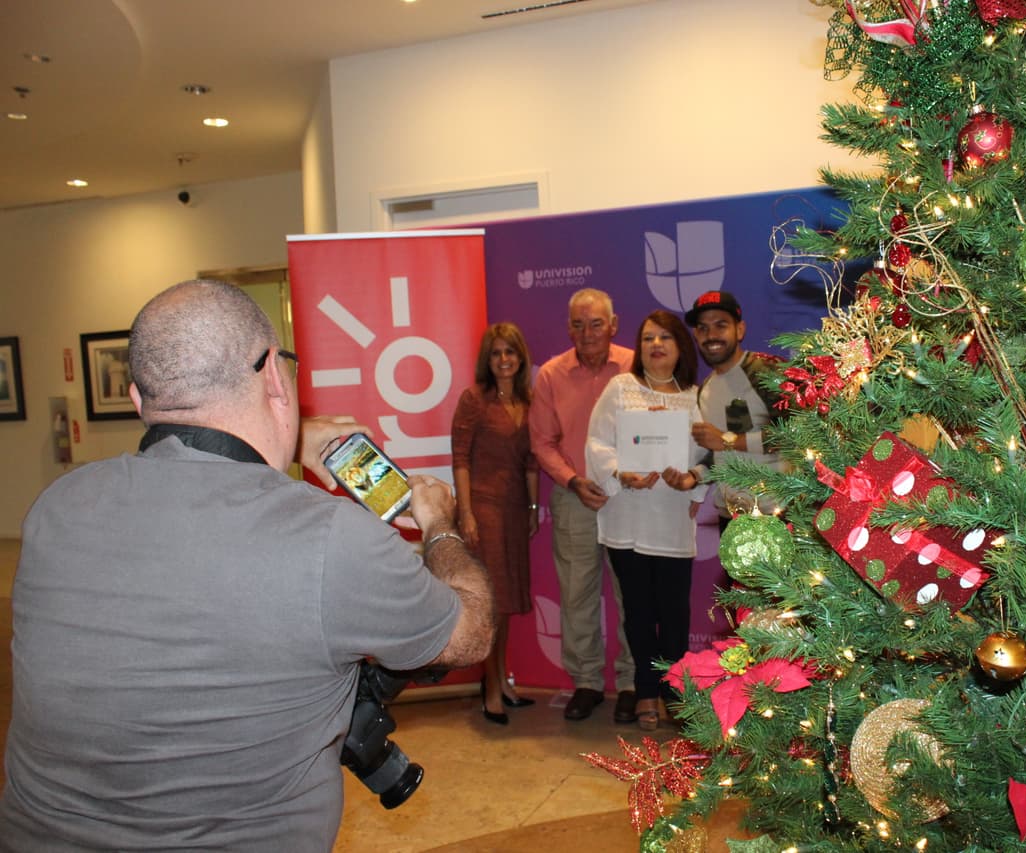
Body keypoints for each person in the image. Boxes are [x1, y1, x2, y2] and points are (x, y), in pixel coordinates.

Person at [0, 280, 493, 853]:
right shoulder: (329, 537)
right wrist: (440, 525)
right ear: (274, 379)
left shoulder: (57, 507)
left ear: (137, 400)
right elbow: (471, 632)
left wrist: (281, 439)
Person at [585, 310, 707, 731]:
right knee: (637, 613)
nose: (655, 345)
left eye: (665, 338)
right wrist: (621, 473)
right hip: (628, 520)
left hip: (672, 520)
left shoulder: (696, 396)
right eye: (648, 338)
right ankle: (646, 692)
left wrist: (691, 481)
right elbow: (597, 440)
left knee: (674, 614)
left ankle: (675, 692)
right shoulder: (621, 388)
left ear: (680, 346)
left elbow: (709, 456)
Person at [529, 288, 638, 723]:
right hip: (575, 496)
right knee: (576, 594)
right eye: (578, 324)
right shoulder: (551, 375)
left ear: (613, 325)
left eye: (596, 323)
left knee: (632, 594)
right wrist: (573, 480)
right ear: (568, 327)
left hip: (630, 498)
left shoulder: (636, 365)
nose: (587, 332)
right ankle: (587, 682)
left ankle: (631, 683)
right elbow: (542, 441)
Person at [451, 322, 541, 726]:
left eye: (511, 352)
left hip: (515, 511)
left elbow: (530, 462)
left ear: (521, 357)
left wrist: (534, 507)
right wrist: (466, 512)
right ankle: (489, 689)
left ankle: (501, 680)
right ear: (487, 360)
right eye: (496, 353)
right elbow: (461, 459)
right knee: (489, 604)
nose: (504, 359)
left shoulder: (529, 400)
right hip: (483, 511)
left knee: (504, 605)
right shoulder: (474, 399)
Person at [684, 290, 787, 529]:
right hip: (730, 518)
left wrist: (727, 440)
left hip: (776, 514)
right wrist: (694, 475)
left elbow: (796, 435)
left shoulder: (765, 371)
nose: (711, 335)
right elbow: (718, 453)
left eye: (721, 325)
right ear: (695, 335)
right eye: (703, 328)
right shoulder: (705, 389)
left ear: (739, 330)